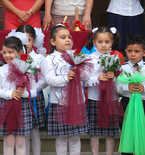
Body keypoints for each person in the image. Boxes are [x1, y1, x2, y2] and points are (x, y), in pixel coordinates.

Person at [41, 25, 88, 154]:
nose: (67, 40)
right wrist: (66, 78)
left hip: (76, 102)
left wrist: (82, 73)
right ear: (53, 41)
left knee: (75, 136)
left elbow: (86, 77)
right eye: (63, 37)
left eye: (69, 37)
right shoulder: (49, 59)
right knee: (61, 137)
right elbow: (49, 80)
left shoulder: (77, 55)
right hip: (59, 102)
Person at [0, 35, 37, 155]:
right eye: (4, 52)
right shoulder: (2, 70)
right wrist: (10, 94)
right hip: (6, 106)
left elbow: (33, 92)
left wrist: (23, 94)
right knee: (8, 142)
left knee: (20, 142)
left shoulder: (28, 69)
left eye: (10, 52)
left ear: (19, 52)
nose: (7, 55)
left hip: (22, 107)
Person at [84, 27, 122, 155]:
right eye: (100, 42)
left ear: (112, 42)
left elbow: (121, 81)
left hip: (111, 99)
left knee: (110, 131)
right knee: (94, 131)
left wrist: (114, 77)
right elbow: (84, 80)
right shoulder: (89, 59)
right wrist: (97, 78)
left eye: (107, 42)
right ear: (94, 42)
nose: (103, 45)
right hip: (95, 98)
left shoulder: (116, 58)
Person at [15, 24, 47, 155]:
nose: (25, 43)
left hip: (34, 97)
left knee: (34, 131)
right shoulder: (14, 58)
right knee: (23, 131)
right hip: (19, 98)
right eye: (21, 40)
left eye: (28, 40)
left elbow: (45, 79)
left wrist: (33, 90)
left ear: (34, 40)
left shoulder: (39, 58)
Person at [117, 35, 145, 155]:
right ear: (126, 51)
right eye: (130, 51)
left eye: (137, 51)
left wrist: (144, 88)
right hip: (126, 102)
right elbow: (116, 88)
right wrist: (126, 87)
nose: (133, 54)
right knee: (127, 131)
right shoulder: (122, 68)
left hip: (144, 103)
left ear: (144, 52)